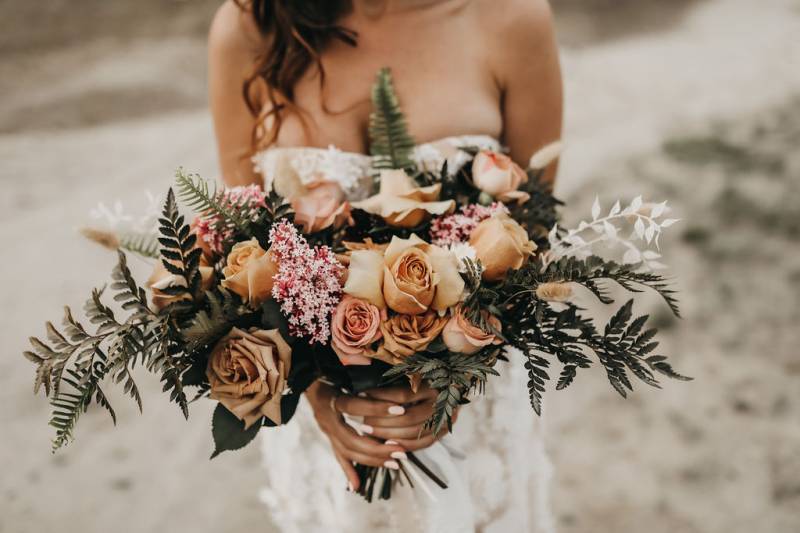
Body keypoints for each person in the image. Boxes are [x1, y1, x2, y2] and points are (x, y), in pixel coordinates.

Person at [209, 1, 562, 530]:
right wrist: (312, 388)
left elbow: (530, 233)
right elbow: (245, 248)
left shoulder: (512, 17)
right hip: (331, 434)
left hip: (469, 417)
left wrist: (454, 380)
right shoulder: (251, 26)